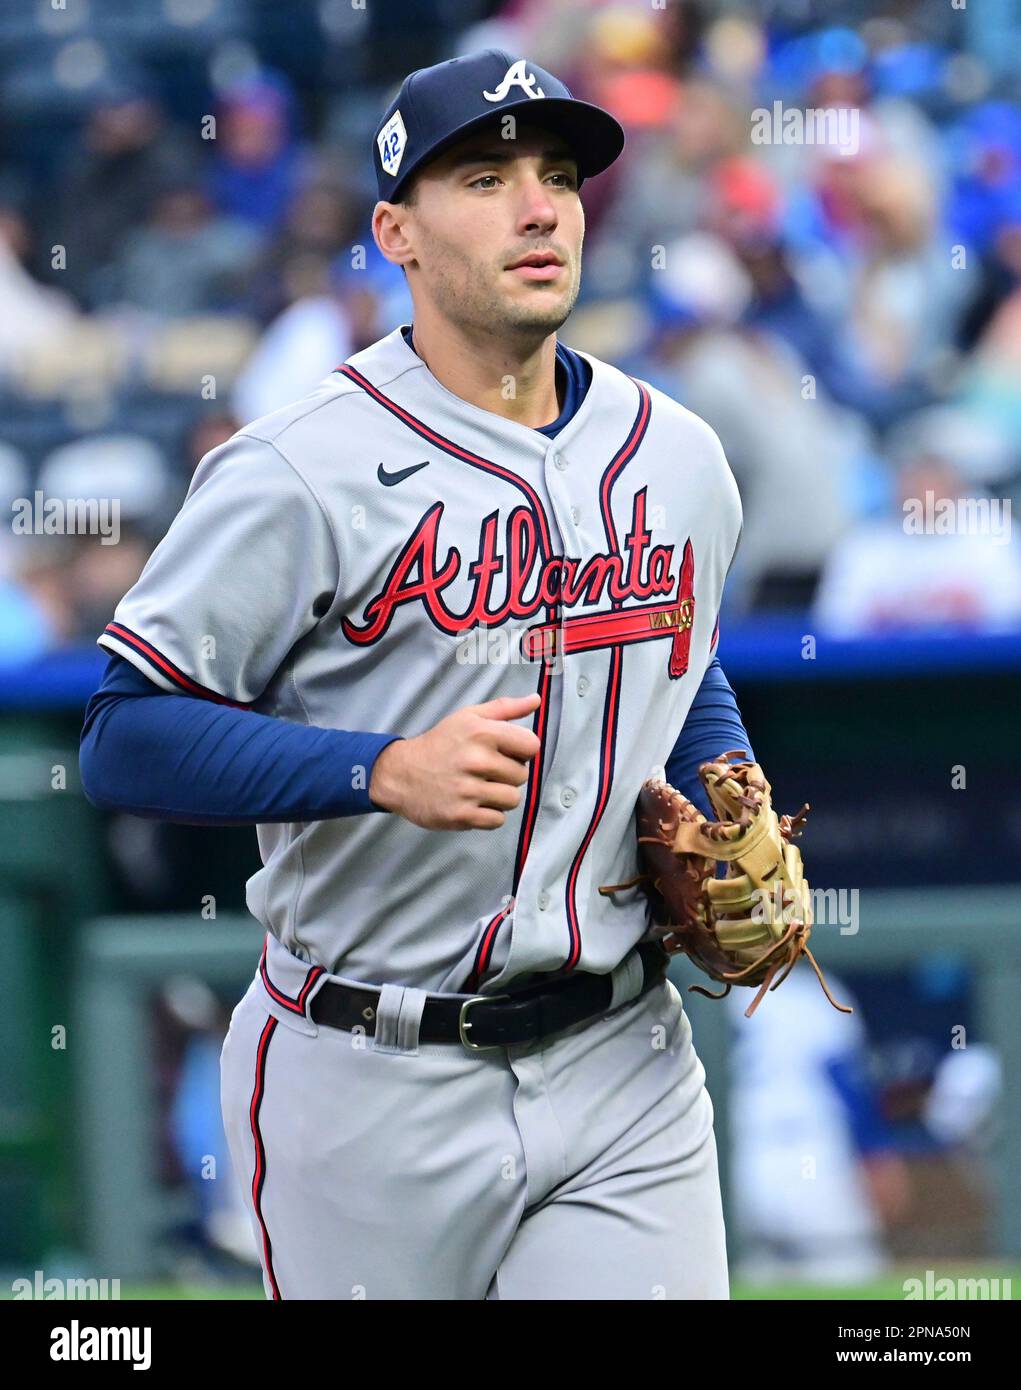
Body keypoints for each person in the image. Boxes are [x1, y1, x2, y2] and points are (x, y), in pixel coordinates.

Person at [80, 50, 765, 1300]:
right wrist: (376, 768)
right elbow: (123, 735)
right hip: (366, 1070)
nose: (538, 204)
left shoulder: (679, 456)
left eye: (556, 175)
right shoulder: (297, 464)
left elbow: (683, 658)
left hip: (623, 1056)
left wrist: (727, 782)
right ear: (394, 231)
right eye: (485, 176)